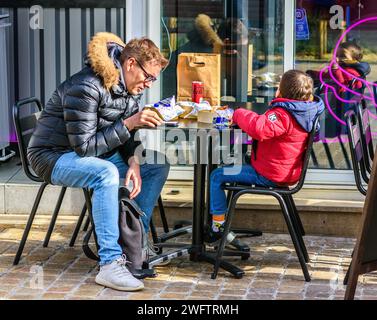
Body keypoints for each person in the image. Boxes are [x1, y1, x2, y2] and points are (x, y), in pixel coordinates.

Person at [27, 32, 170, 292]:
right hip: (53, 156)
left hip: (94, 152)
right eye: (148, 77)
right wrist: (130, 122)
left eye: (153, 79)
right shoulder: (86, 86)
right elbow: (85, 148)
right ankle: (110, 264)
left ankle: (135, 241)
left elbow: (125, 136)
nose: (149, 84)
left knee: (156, 165)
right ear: (130, 65)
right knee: (105, 174)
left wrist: (134, 161)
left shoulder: (128, 87)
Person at [205, 70, 325, 242]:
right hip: (283, 170)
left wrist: (238, 114)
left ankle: (218, 227)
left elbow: (259, 129)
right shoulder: (307, 111)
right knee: (236, 160)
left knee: (216, 176)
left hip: (270, 174)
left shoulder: (283, 114)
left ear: (280, 90)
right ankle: (221, 221)